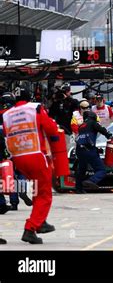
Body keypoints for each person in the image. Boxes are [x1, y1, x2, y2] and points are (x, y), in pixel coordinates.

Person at [2, 87, 59, 244]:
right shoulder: (35, 108)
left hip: (18, 159)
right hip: (35, 155)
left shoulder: (6, 115)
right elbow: (51, 129)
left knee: (36, 189)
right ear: (29, 97)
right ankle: (31, 227)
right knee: (44, 194)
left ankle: (40, 220)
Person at [0, 92, 33, 212]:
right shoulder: (16, 113)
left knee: (8, 175)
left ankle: (11, 202)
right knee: (21, 171)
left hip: (3, 148)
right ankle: (21, 190)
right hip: (18, 146)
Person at [75, 110, 113, 193]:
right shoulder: (92, 123)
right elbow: (101, 129)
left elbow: (85, 138)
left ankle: (78, 188)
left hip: (79, 150)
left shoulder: (81, 126)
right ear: (93, 117)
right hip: (89, 150)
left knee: (82, 170)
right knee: (101, 170)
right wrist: (109, 135)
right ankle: (92, 180)